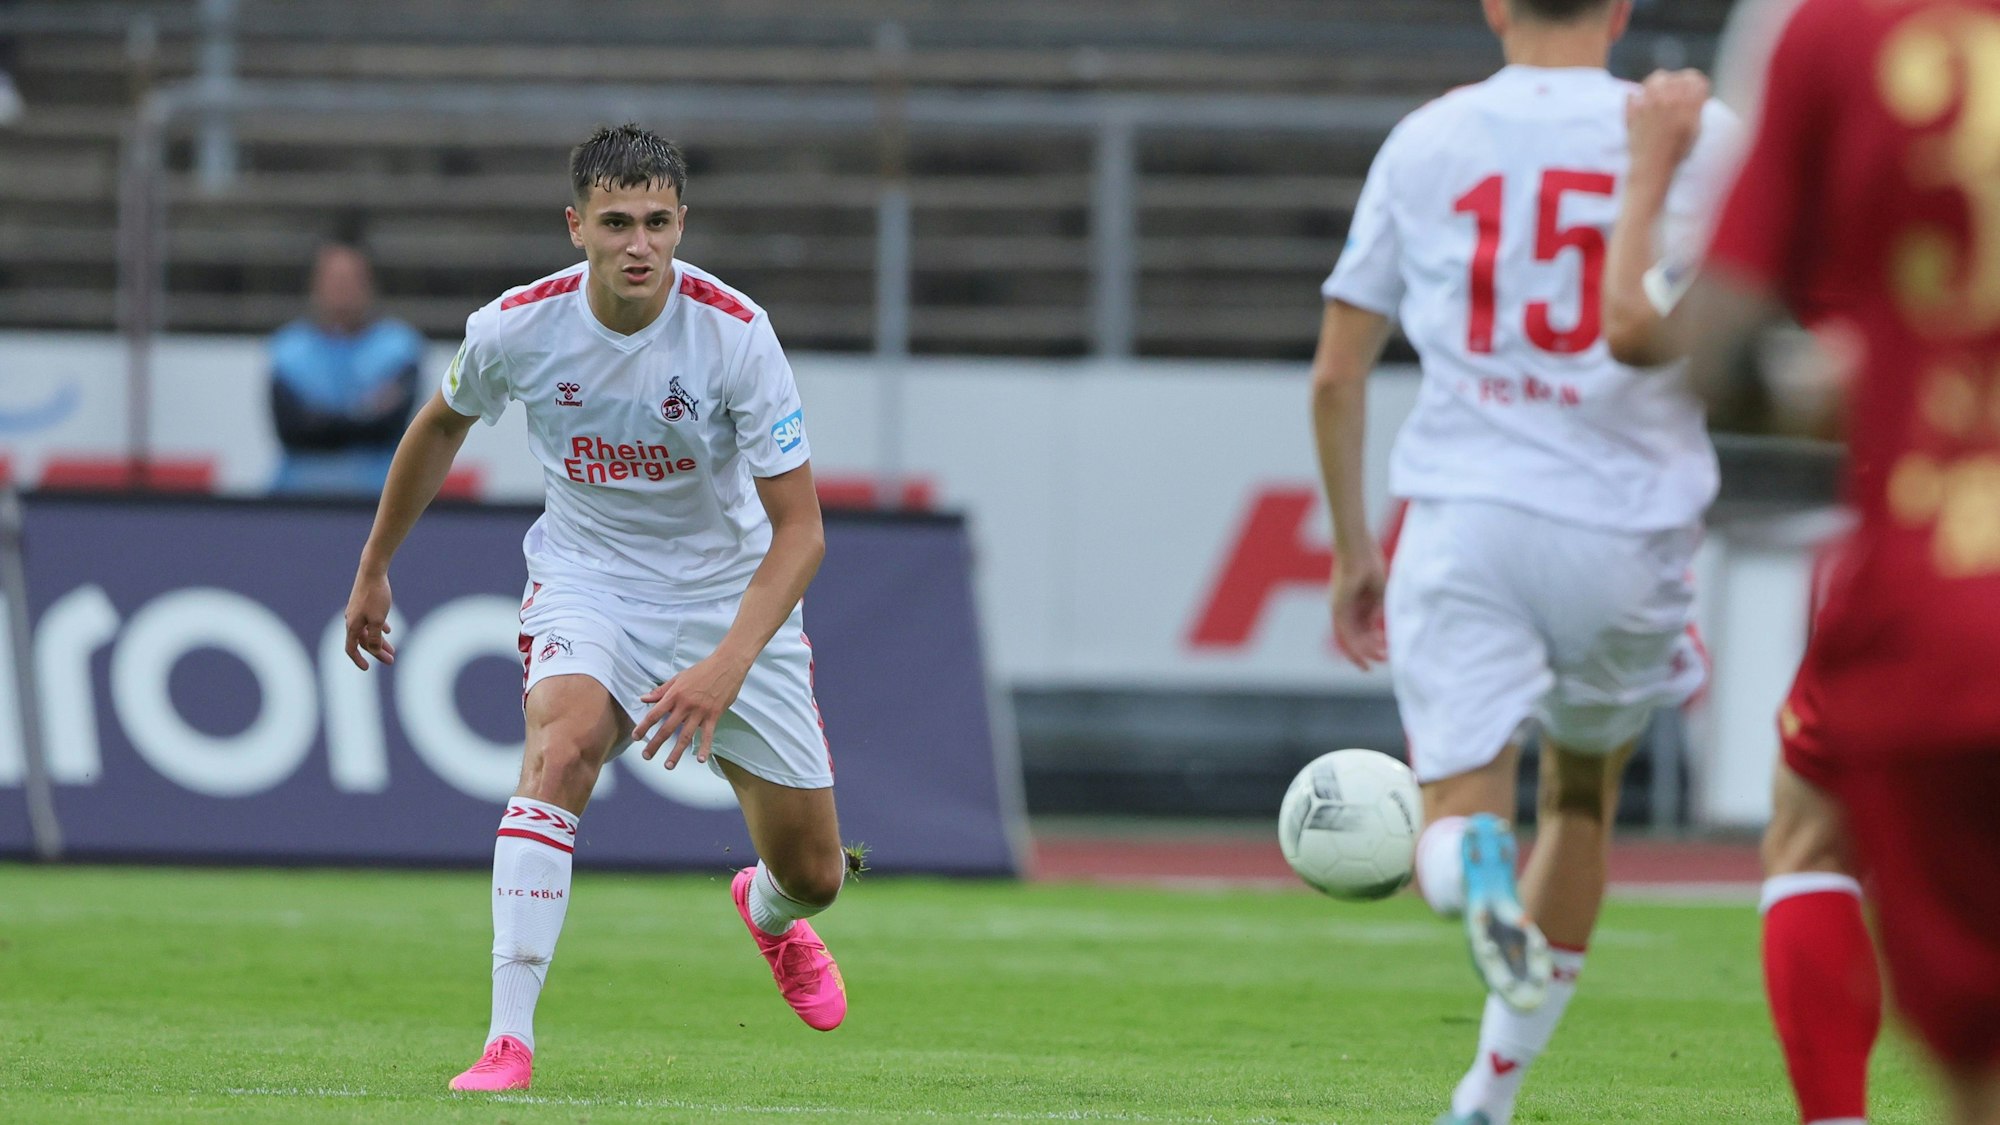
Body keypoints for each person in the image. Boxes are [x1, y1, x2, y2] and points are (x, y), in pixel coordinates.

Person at [342, 123, 848, 1093]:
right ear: (575, 226)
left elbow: (800, 534)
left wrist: (725, 663)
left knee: (815, 871)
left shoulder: (735, 334)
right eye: (615, 222)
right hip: (589, 579)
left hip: (726, 594)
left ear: (681, 224)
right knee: (561, 747)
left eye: (657, 222)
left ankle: (768, 914)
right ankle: (507, 1040)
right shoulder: (517, 328)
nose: (638, 244)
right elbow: (439, 425)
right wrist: (374, 565)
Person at [1308, 2, 1737, 1121]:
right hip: (1624, 518)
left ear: (1493, 4)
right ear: (1621, 9)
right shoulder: (1696, 129)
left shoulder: (1428, 139)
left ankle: (1466, 874)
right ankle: (1485, 1097)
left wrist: (1356, 547)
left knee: (1446, 823)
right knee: (1584, 804)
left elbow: (1335, 373)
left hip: (1467, 511)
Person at [1680, 1, 2000, 1120]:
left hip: (1936, 581)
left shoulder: (1826, 30)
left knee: (1810, 824)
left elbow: (1714, 349)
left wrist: (1848, 386)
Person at [1603, 70, 1881, 1125]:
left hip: (1933, 545)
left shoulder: (1848, 62)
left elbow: (1653, 337)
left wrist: (1646, 182)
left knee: (1812, 836)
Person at [268, 242, 426, 497]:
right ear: (314, 285)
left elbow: (389, 426)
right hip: (298, 493)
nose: (342, 288)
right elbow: (291, 429)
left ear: (370, 285)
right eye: (333, 279)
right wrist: (363, 413)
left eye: (351, 279)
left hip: (380, 493)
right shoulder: (288, 349)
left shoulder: (398, 347)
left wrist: (320, 419)